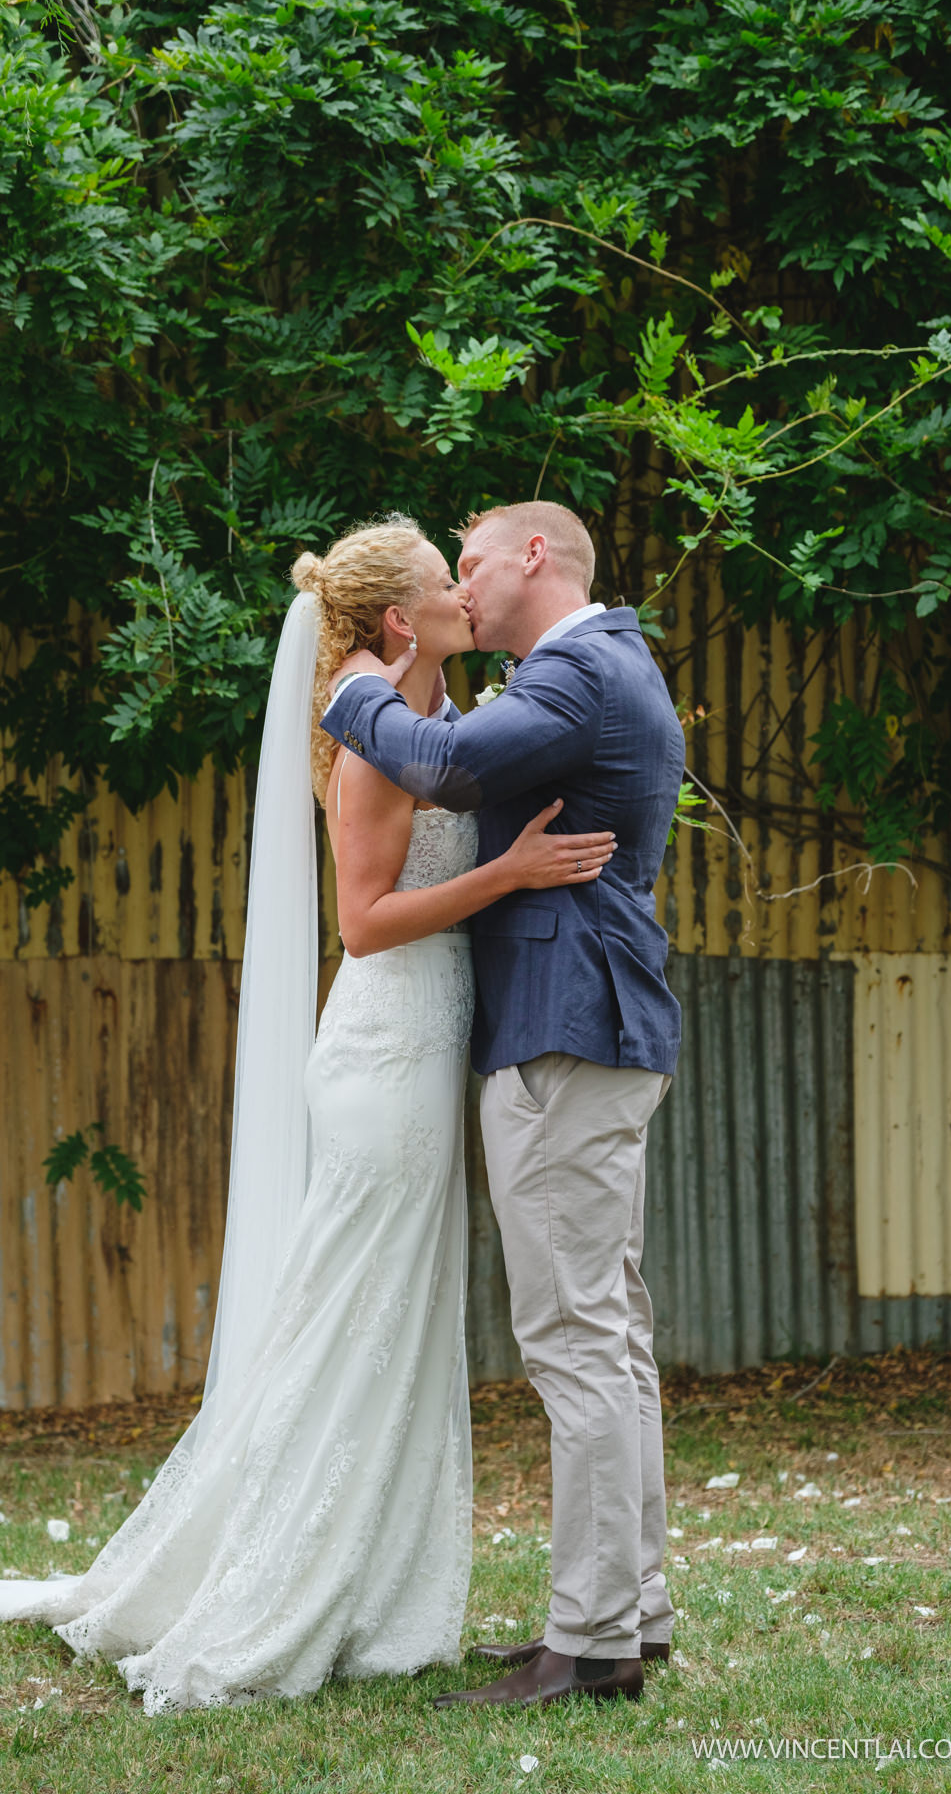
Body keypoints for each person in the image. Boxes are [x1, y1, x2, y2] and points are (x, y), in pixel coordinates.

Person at [0, 514, 616, 1710]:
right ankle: (269, 1589)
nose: (464, 593)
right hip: (386, 1053)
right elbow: (366, 923)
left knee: (393, 1318)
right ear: (402, 619)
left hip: (430, 1045)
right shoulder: (375, 746)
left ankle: (380, 1590)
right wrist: (507, 875)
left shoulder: (434, 725)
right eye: (447, 583)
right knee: (350, 1316)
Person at [322, 499, 686, 1710]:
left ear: (536, 556)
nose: (462, 585)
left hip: (561, 1034)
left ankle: (587, 1644)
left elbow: (445, 765)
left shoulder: (579, 669)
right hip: (595, 1027)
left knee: (575, 1342)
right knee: (611, 1336)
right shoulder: (591, 664)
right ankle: (630, 1616)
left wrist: (352, 686)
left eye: (470, 560)